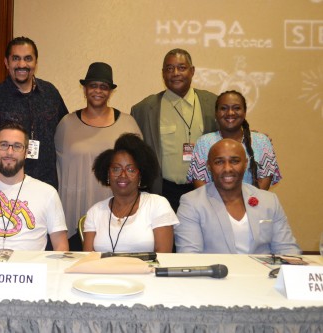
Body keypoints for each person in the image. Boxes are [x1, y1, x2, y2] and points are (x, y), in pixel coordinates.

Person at [0, 36, 68, 191]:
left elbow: (67, 134)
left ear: (36, 63)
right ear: (6, 62)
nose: (22, 64)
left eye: (28, 58)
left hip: (45, 189)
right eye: (16, 58)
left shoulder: (51, 94)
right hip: (5, 191)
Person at [55, 62, 142, 250]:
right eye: (93, 85)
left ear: (110, 91)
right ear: (85, 89)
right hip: (73, 213)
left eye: (104, 87)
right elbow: (56, 169)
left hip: (115, 214)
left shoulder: (128, 124)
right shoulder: (66, 124)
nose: (98, 91)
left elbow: (139, 171)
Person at [175, 139, 300, 254]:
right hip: (216, 277)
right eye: (219, 162)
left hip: (263, 276)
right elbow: (190, 256)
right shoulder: (192, 202)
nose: (227, 168)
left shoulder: (269, 200)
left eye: (235, 161)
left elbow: (287, 249)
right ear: (209, 166)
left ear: (245, 163)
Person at [131, 48, 218, 212]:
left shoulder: (213, 103)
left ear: (192, 71)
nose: (175, 73)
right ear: (163, 74)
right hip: (164, 193)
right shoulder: (144, 109)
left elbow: (229, 137)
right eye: (169, 69)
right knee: (166, 239)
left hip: (205, 190)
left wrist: (253, 138)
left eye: (181, 68)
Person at [0, 123, 69, 251]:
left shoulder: (48, 193)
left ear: (26, 152)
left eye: (17, 146)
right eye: (3, 145)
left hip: (29, 269)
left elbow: (61, 247)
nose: (9, 152)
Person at [83, 133, 178, 253]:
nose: (123, 175)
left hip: (147, 271)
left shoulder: (157, 205)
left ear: (140, 175)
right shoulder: (95, 212)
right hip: (103, 271)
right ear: (108, 174)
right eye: (116, 169)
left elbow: (163, 257)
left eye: (130, 170)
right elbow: (88, 260)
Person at [187, 90, 281, 190]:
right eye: (224, 108)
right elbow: (200, 183)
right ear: (216, 113)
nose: (230, 113)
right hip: (211, 204)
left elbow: (264, 183)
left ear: (244, 112)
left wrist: (248, 204)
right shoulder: (203, 143)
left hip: (253, 203)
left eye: (236, 108)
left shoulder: (262, 141)